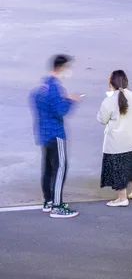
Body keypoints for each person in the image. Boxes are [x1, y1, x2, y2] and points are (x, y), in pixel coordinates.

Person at [31, 54, 82, 217]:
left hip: (44, 134)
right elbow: (62, 111)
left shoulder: (43, 87)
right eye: (68, 68)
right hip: (56, 134)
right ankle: (57, 206)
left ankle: (48, 201)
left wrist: (62, 99)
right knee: (60, 168)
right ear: (62, 68)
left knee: (47, 168)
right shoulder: (55, 88)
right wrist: (71, 100)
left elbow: (38, 102)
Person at [97, 70, 132, 207]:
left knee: (118, 170)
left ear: (111, 84)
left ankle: (122, 198)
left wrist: (110, 97)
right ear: (126, 82)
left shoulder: (108, 101)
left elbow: (102, 119)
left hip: (116, 144)